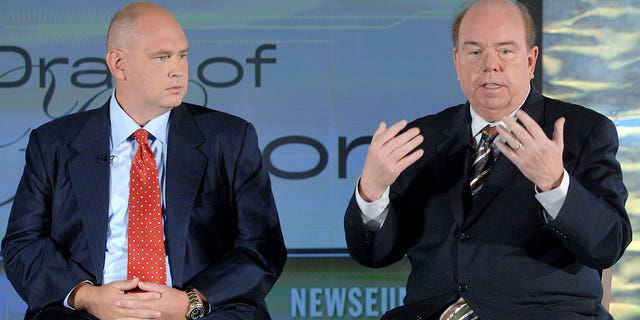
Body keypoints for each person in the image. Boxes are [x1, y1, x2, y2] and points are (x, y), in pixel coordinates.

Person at [344, 0, 632, 319]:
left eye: (505, 51)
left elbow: (607, 244)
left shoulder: (582, 131)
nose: (490, 65)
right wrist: (371, 193)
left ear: (530, 59)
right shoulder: (422, 138)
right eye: (474, 51)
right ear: (457, 62)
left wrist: (555, 184)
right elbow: (373, 255)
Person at [1, 2, 286, 320]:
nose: (178, 69)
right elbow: (23, 244)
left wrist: (190, 301)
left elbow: (262, 248)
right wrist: (86, 296)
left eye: (183, 55)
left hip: (197, 311)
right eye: (162, 57)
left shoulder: (231, 138)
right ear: (119, 64)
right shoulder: (54, 143)